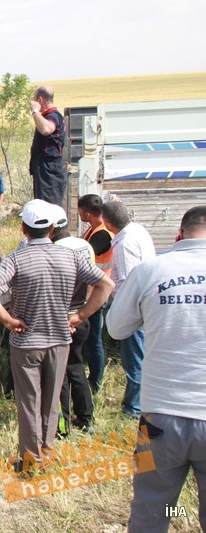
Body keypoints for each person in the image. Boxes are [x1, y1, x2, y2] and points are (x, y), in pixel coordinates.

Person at [0, 199, 113, 470]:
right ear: (52, 229)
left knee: (29, 401)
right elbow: (105, 284)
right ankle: (47, 451)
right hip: (59, 338)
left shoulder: (17, 258)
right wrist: (80, 315)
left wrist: (6, 319)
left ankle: (30, 460)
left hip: (26, 341)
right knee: (52, 400)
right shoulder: (71, 256)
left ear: (22, 229)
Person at [105, 206, 206, 532]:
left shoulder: (151, 271)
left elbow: (116, 327)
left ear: (178, 234)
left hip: (159, 417)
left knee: (152, 512)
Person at [101, 200, 155, 419]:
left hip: (135, 308)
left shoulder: (124, 245)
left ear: (108, 222)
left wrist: (120, 310)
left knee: (135, 358)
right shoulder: (138, 230)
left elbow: (128, 282)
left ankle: (134, 407)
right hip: (146, 304)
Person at [48, 204, 95, 435]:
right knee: (76, 366)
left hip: (61, 317)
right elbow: (94, 280)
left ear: (52, 226)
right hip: (80, 313)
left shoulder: (54, 249)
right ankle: (86, 418)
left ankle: (62, 426)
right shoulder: (84, 245)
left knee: (60, 374)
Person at [77, 194, 114, 393]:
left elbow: (86, 258)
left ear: (88, 213)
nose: (79, 214)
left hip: (97, 293)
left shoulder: (103, 234)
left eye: (80, 211)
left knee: (94, 339)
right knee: (90, 338)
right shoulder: (93, 230)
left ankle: (96, 381)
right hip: (92, 290)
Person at [29, 86, 67, 206]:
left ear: (40, 100)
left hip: (49, 170)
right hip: (44, 169)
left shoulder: (53, 116)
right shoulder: (47, 116)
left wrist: (35, 111)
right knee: (42, 205)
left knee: (48, 207)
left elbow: (46, 129)